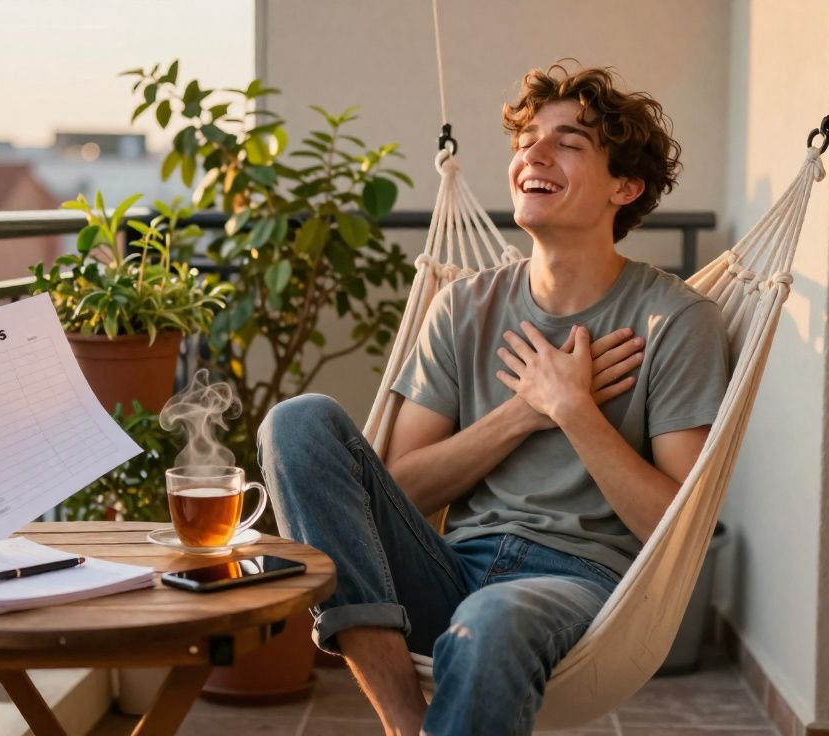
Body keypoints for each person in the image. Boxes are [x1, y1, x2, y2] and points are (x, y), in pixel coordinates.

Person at [257, 64, 732, 736]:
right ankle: (402, 720)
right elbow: (402, 489)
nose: (532, 154)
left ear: (625, 186)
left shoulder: (677, 321)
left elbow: (676, 526)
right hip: (451, 567)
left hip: (578, 585)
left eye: (568, 143)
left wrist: (574, 409)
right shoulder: (464, 306)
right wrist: (526, 409)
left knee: (492, 620)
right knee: (298, 423)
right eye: (526, 140)